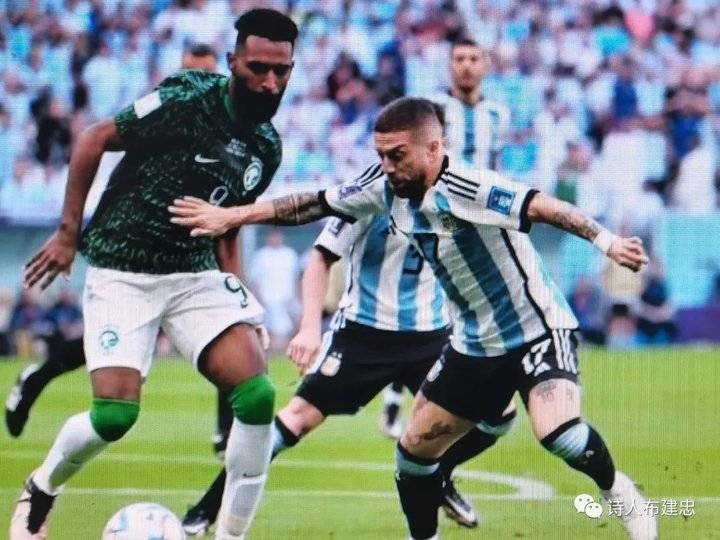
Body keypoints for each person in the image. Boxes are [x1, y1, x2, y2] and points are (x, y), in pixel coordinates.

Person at [169, 97, 656, 540]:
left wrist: (607, 241)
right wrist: (233, 217)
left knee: (558, 433)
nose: (387, 166)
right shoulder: (380, 189)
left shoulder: (471, 186)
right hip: (469, 345)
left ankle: (624, 497)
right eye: (381, 155)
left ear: (434, 148)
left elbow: (543, 206)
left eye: (397, 155)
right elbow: (312, 203)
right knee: (412, 458)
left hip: (536, 329)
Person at [11, 10, 298, 540]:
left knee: (258, 396)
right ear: (233, 62)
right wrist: (68, 234)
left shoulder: (266, 148)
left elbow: (226, 225)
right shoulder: (188, 99)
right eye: (258, 67)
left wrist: (236, 288)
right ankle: (43, 486)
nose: (270, 82)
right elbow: (93, 138)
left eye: (281, 71)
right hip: (123, 270)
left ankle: (231, 535)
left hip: (193, 276)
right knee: (114, 418)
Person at [181, 214, 517, 535]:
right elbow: (320, 258)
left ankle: (439, 476)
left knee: (499, 413)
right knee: (296, 419)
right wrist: (310, 327)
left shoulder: (450, 200)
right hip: (362, 338)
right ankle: (206, 508)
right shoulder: (366, 195)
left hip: (431, 338)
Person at [4, 43, 237, 457]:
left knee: (228, 331)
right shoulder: (162, 110)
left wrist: (233, 274)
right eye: (190, 71)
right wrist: (69, 233)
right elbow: (99, 145)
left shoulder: (230, 126)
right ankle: (39, 377)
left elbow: (229, 213)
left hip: (194, 253)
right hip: (135, 252)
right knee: (109, 348)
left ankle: (225, 432)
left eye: (206, 72)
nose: (197, 81)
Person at [380, 37, 511, 440]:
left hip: (479, 220)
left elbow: (496, 167)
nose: (466, 65)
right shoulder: (434, 109)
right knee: (429, 307)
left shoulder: (497, 114)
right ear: (449, 65)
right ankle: (398, 395)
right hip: (437, 216)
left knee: (464, 309)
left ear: (485, 64)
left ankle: (431, 394)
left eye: (473, 58)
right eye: (459, 59)